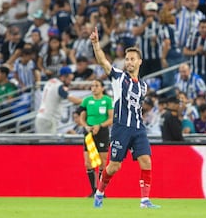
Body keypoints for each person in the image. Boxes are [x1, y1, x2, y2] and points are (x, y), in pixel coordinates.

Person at [90, 27, 160, 208]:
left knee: (146, 161)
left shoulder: (143, 86)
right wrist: (96, 44)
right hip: (121, 127)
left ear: (139, 62)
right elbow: (103, 62)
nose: (129, 62)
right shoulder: (119, 78)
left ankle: (144, 200)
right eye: (127, 59)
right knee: (114, 166)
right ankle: (99, 192)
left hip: (138, 128)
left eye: (132, 59)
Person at [79, 79, 113, 197]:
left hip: (102, 132)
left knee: (103, 163)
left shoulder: (107, 100)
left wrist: (100, 125)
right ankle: (93, 190)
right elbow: (81, 117)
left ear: (102, 88)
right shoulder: (87, 101)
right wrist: (86, 126)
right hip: (89, 133)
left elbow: (111, 118)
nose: (94, 88)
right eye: (92, 86)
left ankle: (101, 191)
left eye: (97, 85)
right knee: (88, 163)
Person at [35, 66, 81, 133]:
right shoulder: (59, 86)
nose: (70, 82)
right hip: (48, 120)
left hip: (42, 117)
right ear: (63, 77)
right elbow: (75, 100)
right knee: (49, 143)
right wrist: (88, 100)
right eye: (69, 79)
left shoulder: (50, 81)